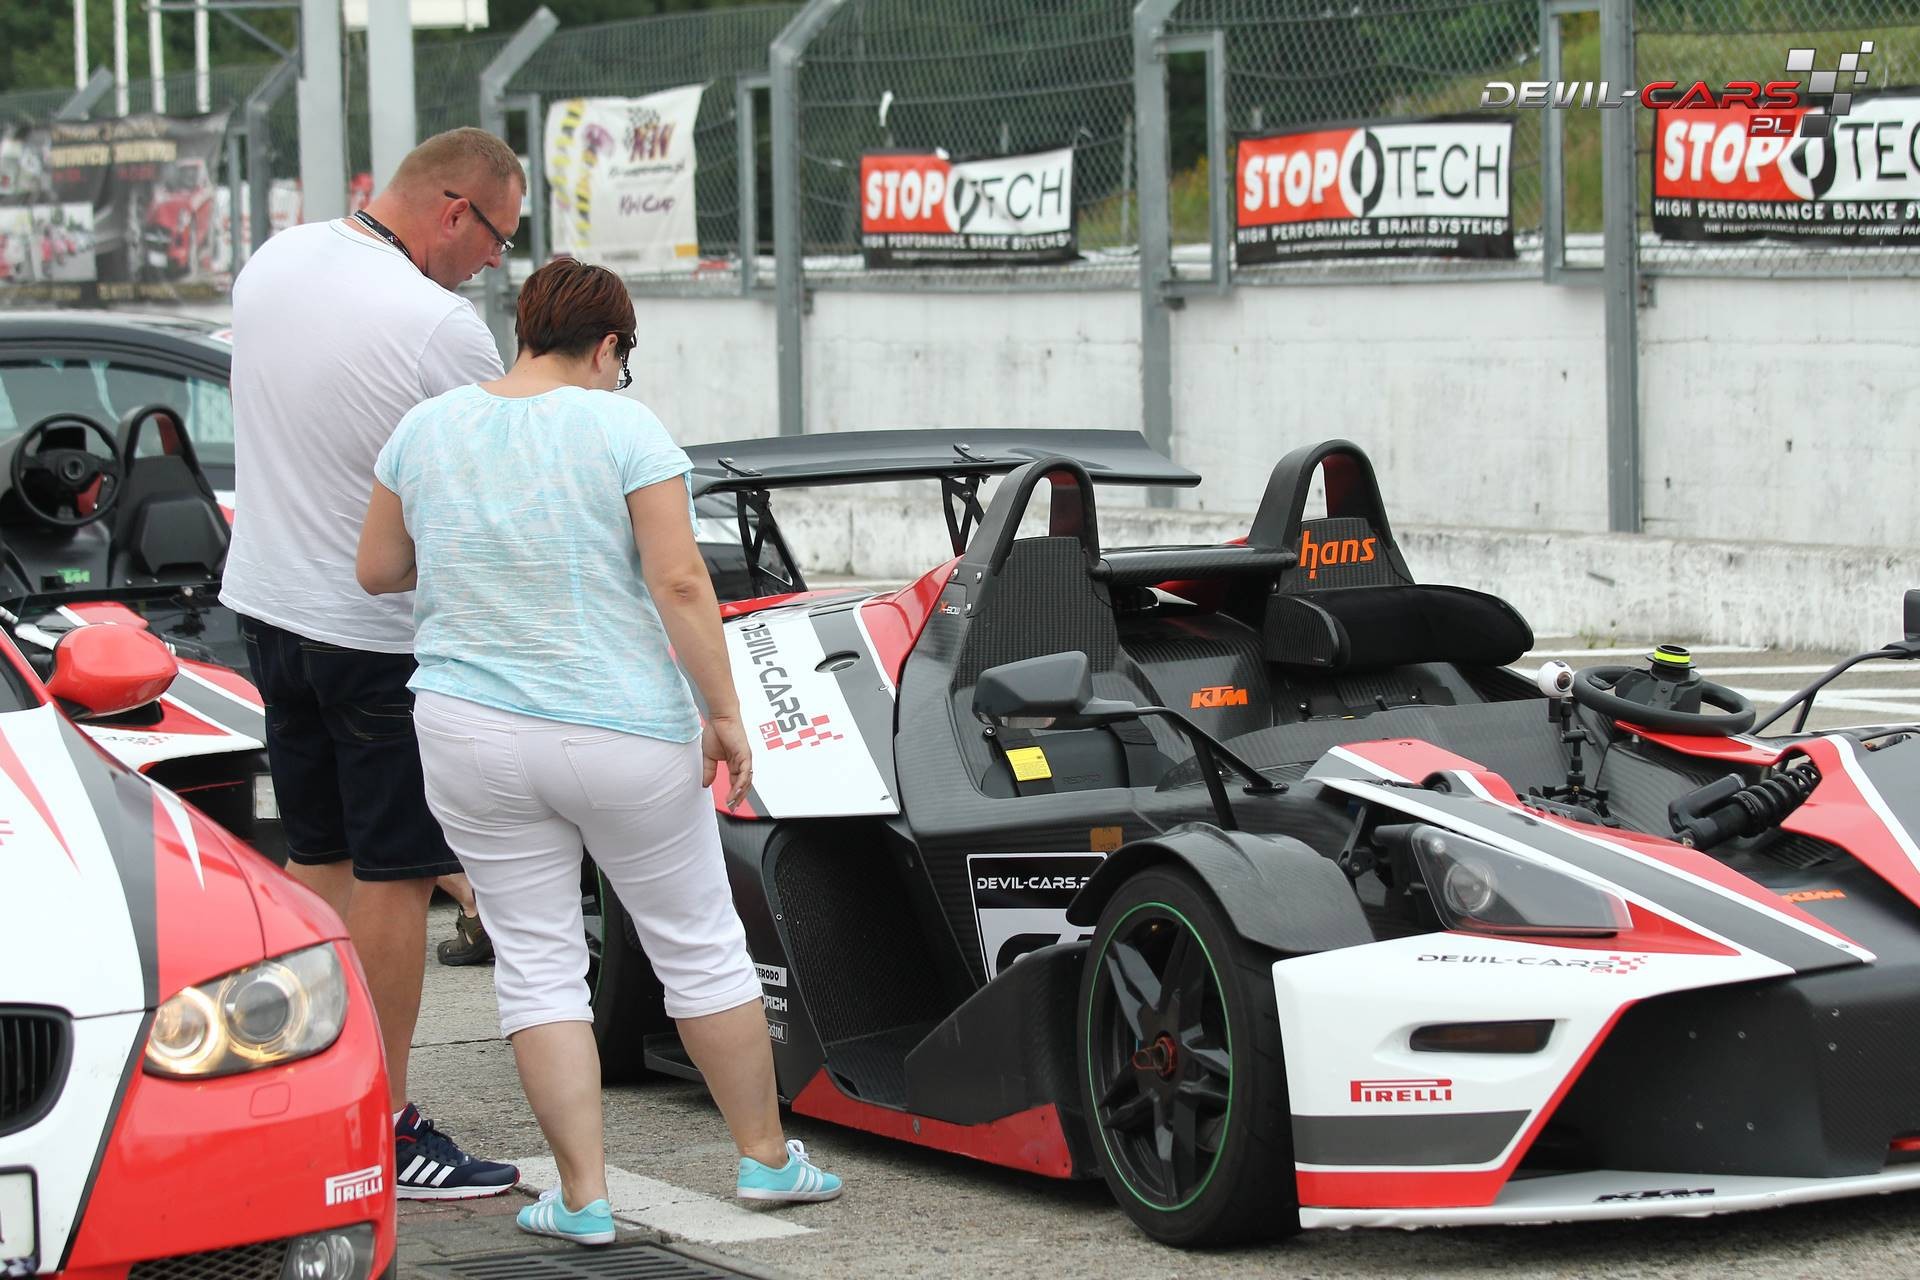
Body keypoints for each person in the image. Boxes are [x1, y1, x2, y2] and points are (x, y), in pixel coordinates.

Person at [355, 257, 843, 1247]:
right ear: (609, 344)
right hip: (619, 725)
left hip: (469, 729)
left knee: (536, 960)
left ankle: (581, 1195)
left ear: (526, 329)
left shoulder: (425, 429)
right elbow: (679, 581)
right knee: (696, 940)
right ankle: (765, 1157)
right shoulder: (625, 428)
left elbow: (378, 569)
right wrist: (724, 712)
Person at [219, 127, 526, 1199]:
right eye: (497, 238)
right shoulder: (438, 326)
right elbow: (497, 494)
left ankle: (300, 1101)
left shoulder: (275, 261)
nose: (494, 264)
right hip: (376, 635)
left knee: (318, 862)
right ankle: (382, 1125)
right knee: (395, 878)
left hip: (270, 608)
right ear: (454, 210)